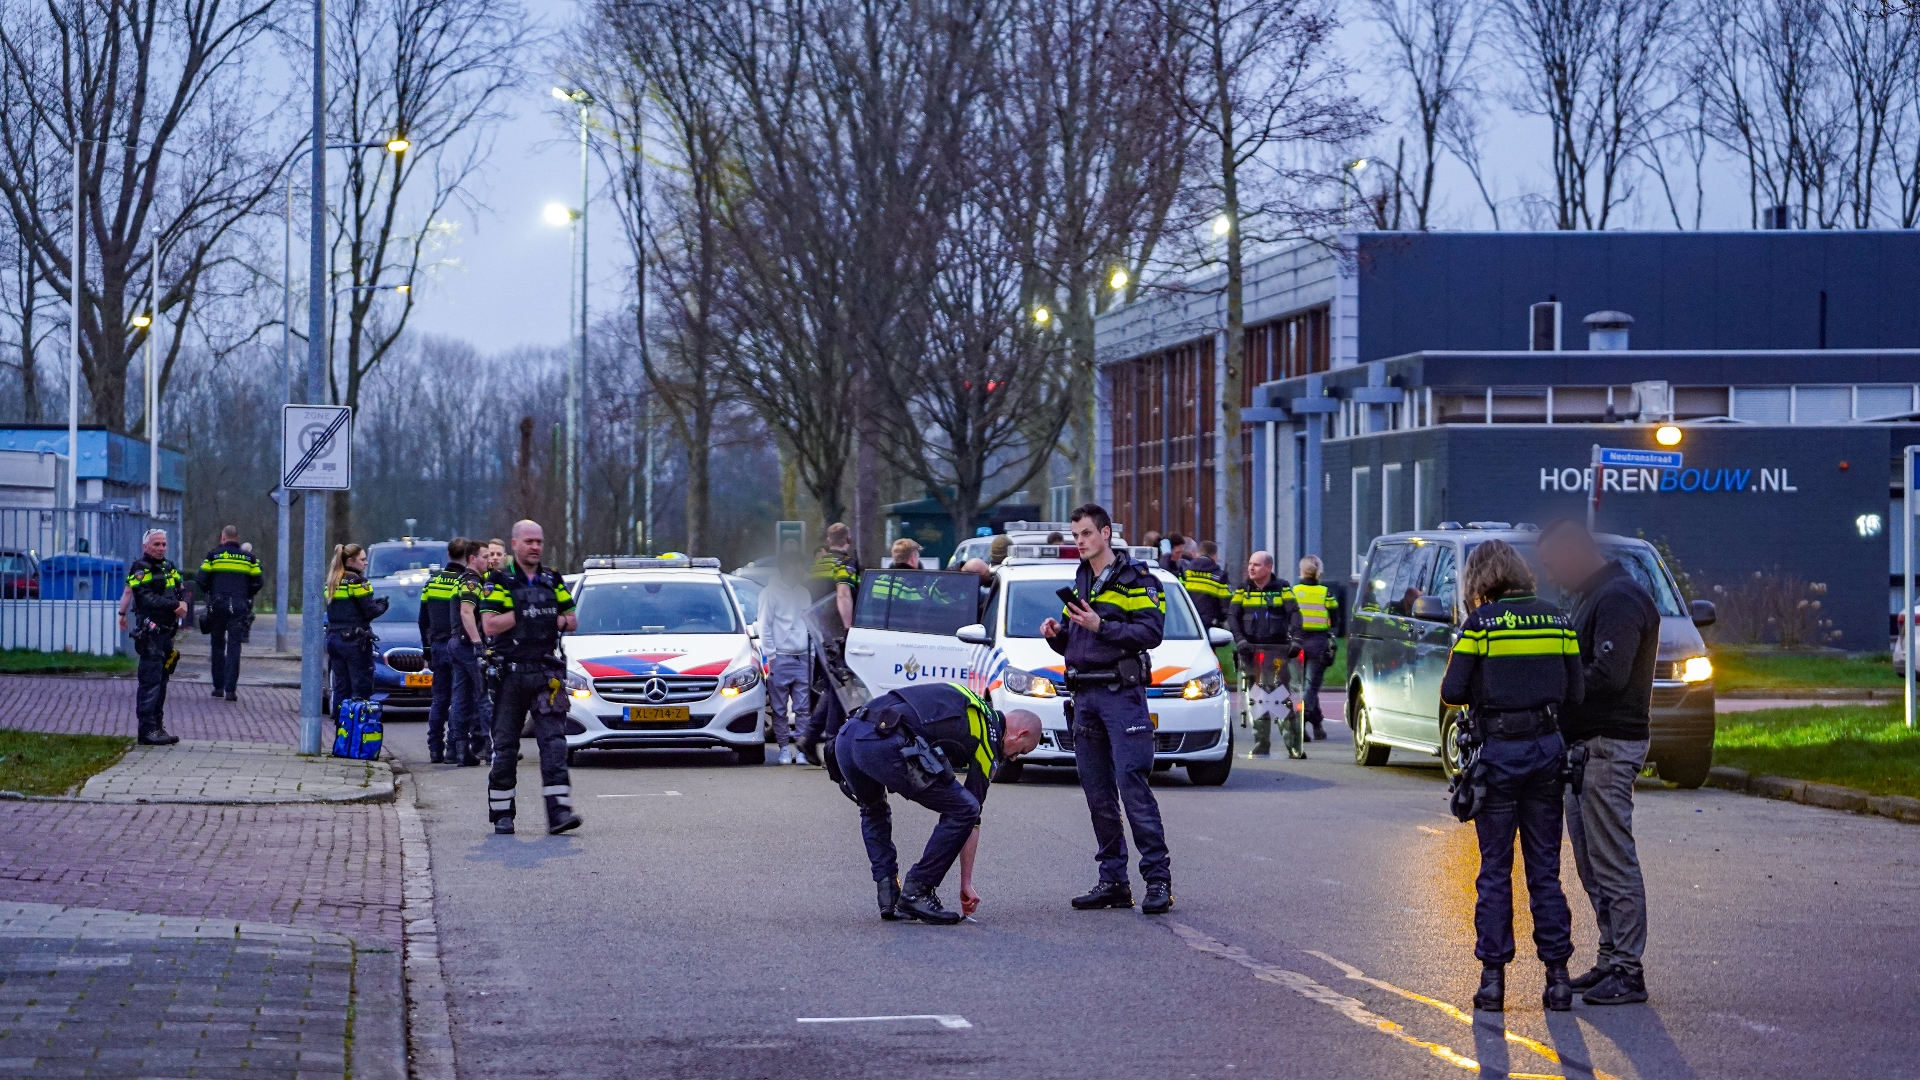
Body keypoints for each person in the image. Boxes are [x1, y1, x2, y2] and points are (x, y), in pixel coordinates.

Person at [1440, 539, 1583, 1014]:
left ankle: (1493, 982)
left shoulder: (1479, 624)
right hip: (1546, 752)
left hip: (1498, 756)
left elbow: (1453, 692)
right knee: (1546, 871)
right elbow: (1576, 693)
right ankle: (1558, 980)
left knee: (1495, 872)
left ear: (1479, 580)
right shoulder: (1559, 619)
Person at [1538, 518, 1660, 1006]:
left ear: (1573, 552)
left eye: (1552, 565)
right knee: (1592, 863)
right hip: (1588, 746)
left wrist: (1554, 690)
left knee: (1612, 862)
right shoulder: (1597, 596)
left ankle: (1628, 969)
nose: (1552, 576)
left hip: (1609, 743)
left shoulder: (1618, 598)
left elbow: (1608, 674)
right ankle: (1611, 957)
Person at [1041, 504, 1174, 915]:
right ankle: (1114, 881)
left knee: (1132, 786)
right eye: (1075, 535)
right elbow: (1077, 643)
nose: (1078, 541)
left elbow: (1151, 632)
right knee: (1098, 794)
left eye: (1084, 533)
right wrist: (1057, 635)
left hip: (1121, 696)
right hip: (1085, 698)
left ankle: (1158, 881)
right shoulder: (1081, 578)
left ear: (1106, 533)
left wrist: (1102, 626)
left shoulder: (1139, 579)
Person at [834, 681, 1042, 923]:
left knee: (873, 810)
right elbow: (970, 816)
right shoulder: (987, 740)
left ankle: (889, 895)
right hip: (881, 744)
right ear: (1020, 734)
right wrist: (966, 883)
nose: (1014, 758)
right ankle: (918, 891)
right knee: (965, 808)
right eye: (1020, 751)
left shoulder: (969, 698)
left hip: (848, 736)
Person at [477, 519, 582, 836]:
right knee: (507, 747)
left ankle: (559, 812)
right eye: (529, 541)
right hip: (510, 673)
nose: (535, 547)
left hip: (545, 671)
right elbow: (490, 626)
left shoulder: (552, 579)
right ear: (515, 544)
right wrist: (524, 613)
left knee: (554, 744)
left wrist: (552, 617)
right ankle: (502, 814)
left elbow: (572, 619)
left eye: (539, 541)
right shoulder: (498, 581)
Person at [798, 523, 861, 763]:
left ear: (827, 539)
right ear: (848, 538)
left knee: (835, 686)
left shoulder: (816, 565)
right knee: (841, 686)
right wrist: (848, 630)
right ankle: (831, 743)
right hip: (837, 633)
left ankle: (811, 737)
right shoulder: (845, 563)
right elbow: (843, 594)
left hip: (818, 631)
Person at [117, 529, 186, 746]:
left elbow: (180, 589)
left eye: (164, 544)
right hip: (151, 633)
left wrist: (182, 602)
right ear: (146, 546)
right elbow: (146, 599)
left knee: (162, 681)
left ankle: (157, 726)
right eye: (156, 544)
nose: (161, 548)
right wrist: (176, 605)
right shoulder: (140, 568)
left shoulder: (169, 567)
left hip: (167, 632)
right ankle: (147, 730)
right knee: (150, 682)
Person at [1229, 551, 1293, 757]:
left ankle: (1292, 743)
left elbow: (1294, 614)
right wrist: (1240, 640)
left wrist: (1297, 640)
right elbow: (1233, 617)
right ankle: (1261, 743)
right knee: (1257, 696)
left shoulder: (1282, 589)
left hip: (1277, 651)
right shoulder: (1242, 590)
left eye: (1256, 565)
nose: (1251, 568)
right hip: (1250, 652)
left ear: (1269, 568)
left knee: (1280, 695)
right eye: (1250, 564)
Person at [420, 538, 477, 764]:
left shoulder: (431, 583)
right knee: (460, 698)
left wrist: (426, 651)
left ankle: (435, 748)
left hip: (436, 646)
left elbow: (422, 619)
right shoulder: (463, 582)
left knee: (439, 699)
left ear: (448, 554)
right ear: (467, 556)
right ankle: (454, 748)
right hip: (457, 646)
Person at [756, 552, 815, 764]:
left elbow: (810, 625)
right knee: (779, 709)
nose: (803, 571)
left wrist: (812, 653)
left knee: (803, 708)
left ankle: (800, 749)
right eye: (800, 566)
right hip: (779, 657)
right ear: (791, 567)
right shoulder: (769, 594)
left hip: (803, 657)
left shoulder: (804, 593)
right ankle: (783, 748)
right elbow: (764, 626)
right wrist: (771, 656)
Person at [197, 525, 261, 702]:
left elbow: (201, 579)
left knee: (217, 644)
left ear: (222, 538)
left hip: (218, 604)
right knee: (234, 646)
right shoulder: (249, 558)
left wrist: (211, 591)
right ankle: (231, 690)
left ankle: (218, 687)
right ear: (238, 538)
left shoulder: (213, 556)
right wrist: (246, 593)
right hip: (239, 605)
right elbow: (258, 581)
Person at [1285, 555, 1344, 743]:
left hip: (1297, 641)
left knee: (1305, 686)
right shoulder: (1325, 593)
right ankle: (1302, 721)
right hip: (1318, 642)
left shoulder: (1293, 591)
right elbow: (1335, 620)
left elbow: (1286, 615)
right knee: (1311, 686)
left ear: (1301, 571)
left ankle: (1316, 726)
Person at [325, 544, 387, 705]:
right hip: (354, 642)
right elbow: (370, 611)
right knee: (361, 687)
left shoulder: (332, 581)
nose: (366, 563)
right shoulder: (357, 581)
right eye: (363, 559)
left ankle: (342, 727)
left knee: (341, 686)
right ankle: (357, 727)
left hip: (334, 638)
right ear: (351, 561)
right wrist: (382, 605)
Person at [452, 539, 493, 767]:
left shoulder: (465, 579)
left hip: (457, 643)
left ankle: (460, 750)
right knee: (485, 696)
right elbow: (467, 612)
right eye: (485, 556)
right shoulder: (472, 581)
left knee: (461, 698)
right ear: (472, 559)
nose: (489, 560)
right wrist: (478, 644)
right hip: (468, 645)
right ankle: (490, 748)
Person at [1179, 540, 1232, 630]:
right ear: (1215, 557)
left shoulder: (1184, 572)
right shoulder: (1220, 576)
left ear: (1197, 554)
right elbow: (1226, 606)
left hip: (1184, 625)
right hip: (1209, 627)